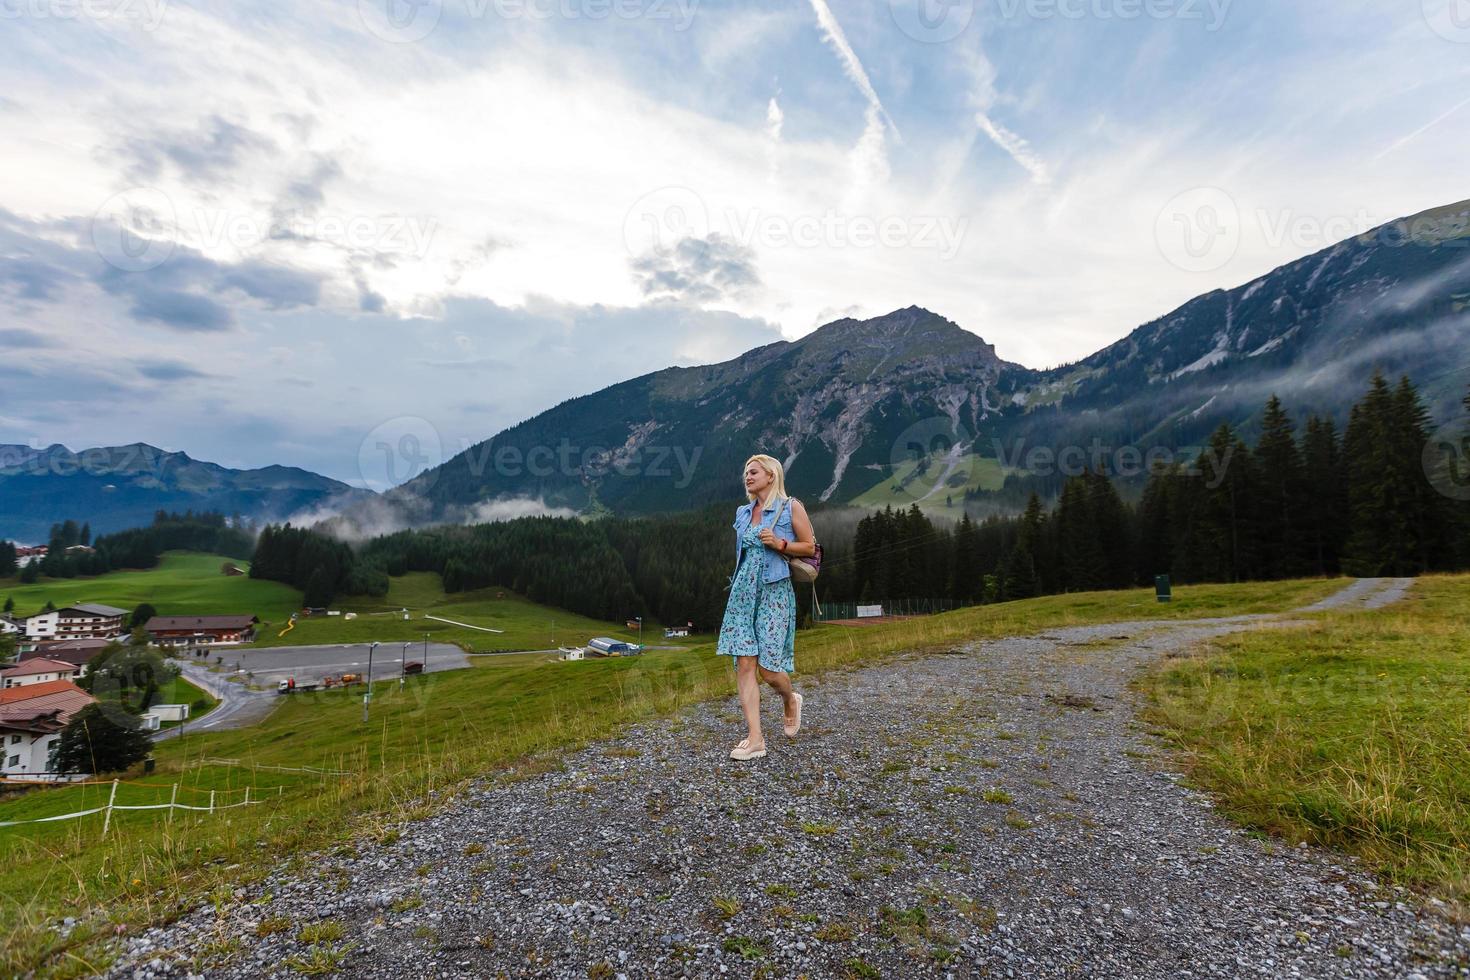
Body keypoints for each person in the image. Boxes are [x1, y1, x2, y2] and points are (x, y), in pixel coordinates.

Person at [716, 453, 817, 760]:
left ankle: (789, 699)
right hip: (742, 596)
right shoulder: (744, 512)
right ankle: (755, 738)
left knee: (769, 670)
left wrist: (780, 544)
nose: (747, 476)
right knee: (744, 665)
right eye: (745, 472)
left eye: (754, 471)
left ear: (771, 475)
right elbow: (742, 555)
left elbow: (811, 546)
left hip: (775, 592)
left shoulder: (790, 507)